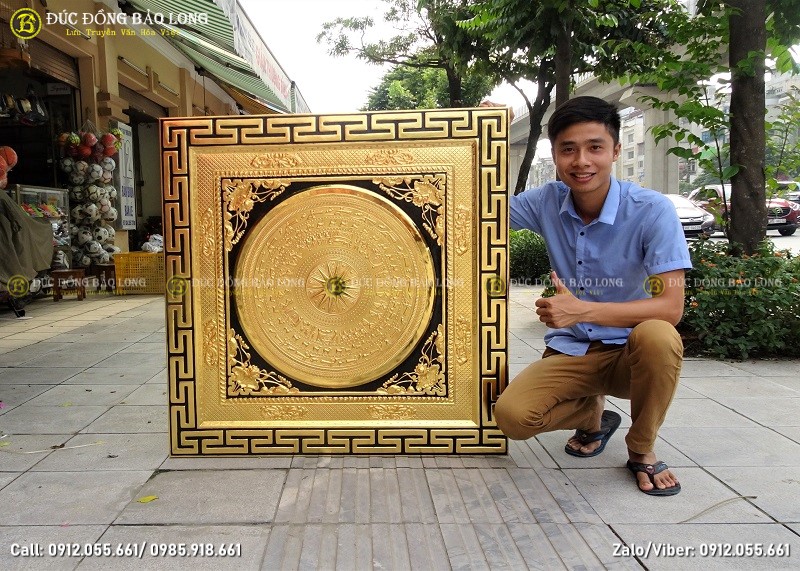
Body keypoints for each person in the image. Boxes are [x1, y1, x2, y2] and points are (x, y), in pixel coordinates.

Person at [495, 96, 690, 496]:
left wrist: (581, 310)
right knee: (512, 418)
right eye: (568, 149)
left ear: (615, 150)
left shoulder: (652, 211)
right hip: (573, 350)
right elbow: (476, 202)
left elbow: (670, 307)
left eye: (595, 147)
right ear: (554, 155)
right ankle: (592, 413)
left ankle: (641, 448)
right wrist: (487, 135)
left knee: (659, 334)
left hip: (631, 354)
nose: (581, 161)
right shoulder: (545, 201)